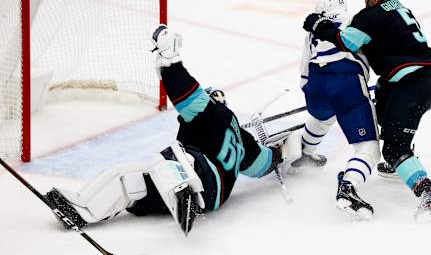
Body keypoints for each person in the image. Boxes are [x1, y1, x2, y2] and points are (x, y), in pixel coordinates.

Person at [44, 25, 301, 235]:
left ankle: (184, 192)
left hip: (203, 179)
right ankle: (79, 210)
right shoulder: (242, 140)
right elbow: (262, 164)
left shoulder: (211, 112)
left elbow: (186, 94)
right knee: (129, 177)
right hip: (211, 196)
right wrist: (281, 154)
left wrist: (170, 63)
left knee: (171, 156)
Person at [302, 0, 431, 222]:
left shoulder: (371, 16)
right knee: (382, 111)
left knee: (394, 147)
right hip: (430, 79)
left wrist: (320, 26)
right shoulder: (400, 9)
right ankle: (399, 164)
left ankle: (430, 195)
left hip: (410, 84)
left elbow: (346, 41)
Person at [295, 0, 381, 219]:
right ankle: (348, 188)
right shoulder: (355, 19)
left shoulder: (314, 30)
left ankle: (303, 153)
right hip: (347, 82)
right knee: (368, 148)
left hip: (315, 83)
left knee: (322, 118)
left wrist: (311, 90)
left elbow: (304, 67)